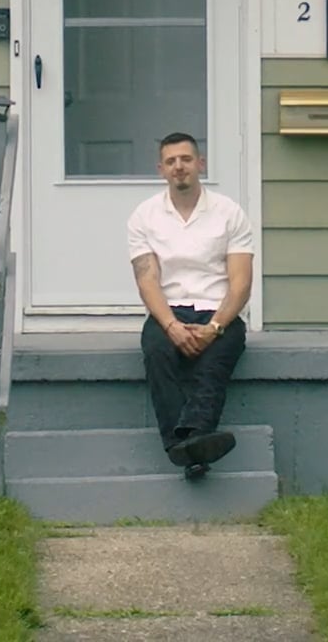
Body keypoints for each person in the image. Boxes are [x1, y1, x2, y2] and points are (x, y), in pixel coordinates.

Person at [128, 132, 254, 479]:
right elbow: (147, 280)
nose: (178, 167)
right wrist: (170, 325)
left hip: (218, 311)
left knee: (215, 362)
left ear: (201, 164)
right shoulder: (144, 216)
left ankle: (186, 444)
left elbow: (241, 283)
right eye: (171, 161)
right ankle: (191, 443)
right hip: (170, 311)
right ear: (161, 169)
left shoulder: (229, 213)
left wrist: (214, 328)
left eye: (185, 159)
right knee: (157, 351)